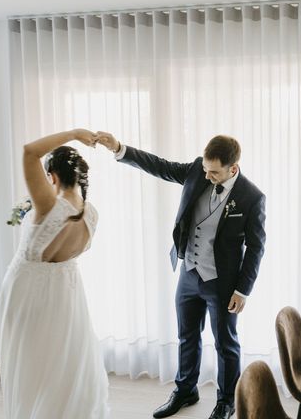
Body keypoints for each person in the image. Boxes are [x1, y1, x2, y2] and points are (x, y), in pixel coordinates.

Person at [97, 133, 266, 419]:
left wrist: (243, 289)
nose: (207, 174)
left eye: (214, 172)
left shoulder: (252, 197)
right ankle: (186, 389)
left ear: (232, 169)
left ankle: (227, 401)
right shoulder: (197, 170)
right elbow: (159, 165)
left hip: (222, 282)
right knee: (187, 336)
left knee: (226, 342)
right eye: (205, 169)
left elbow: (256, 247)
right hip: (188, 274)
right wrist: (119, 148)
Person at [0, 129, 109, 419]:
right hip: (67, 295)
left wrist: (73, 134)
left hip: (28, 292)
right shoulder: (91, 213)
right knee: (63, 363)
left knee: (28, 364)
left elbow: (28, 151)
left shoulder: (48, 205)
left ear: (53, 177)